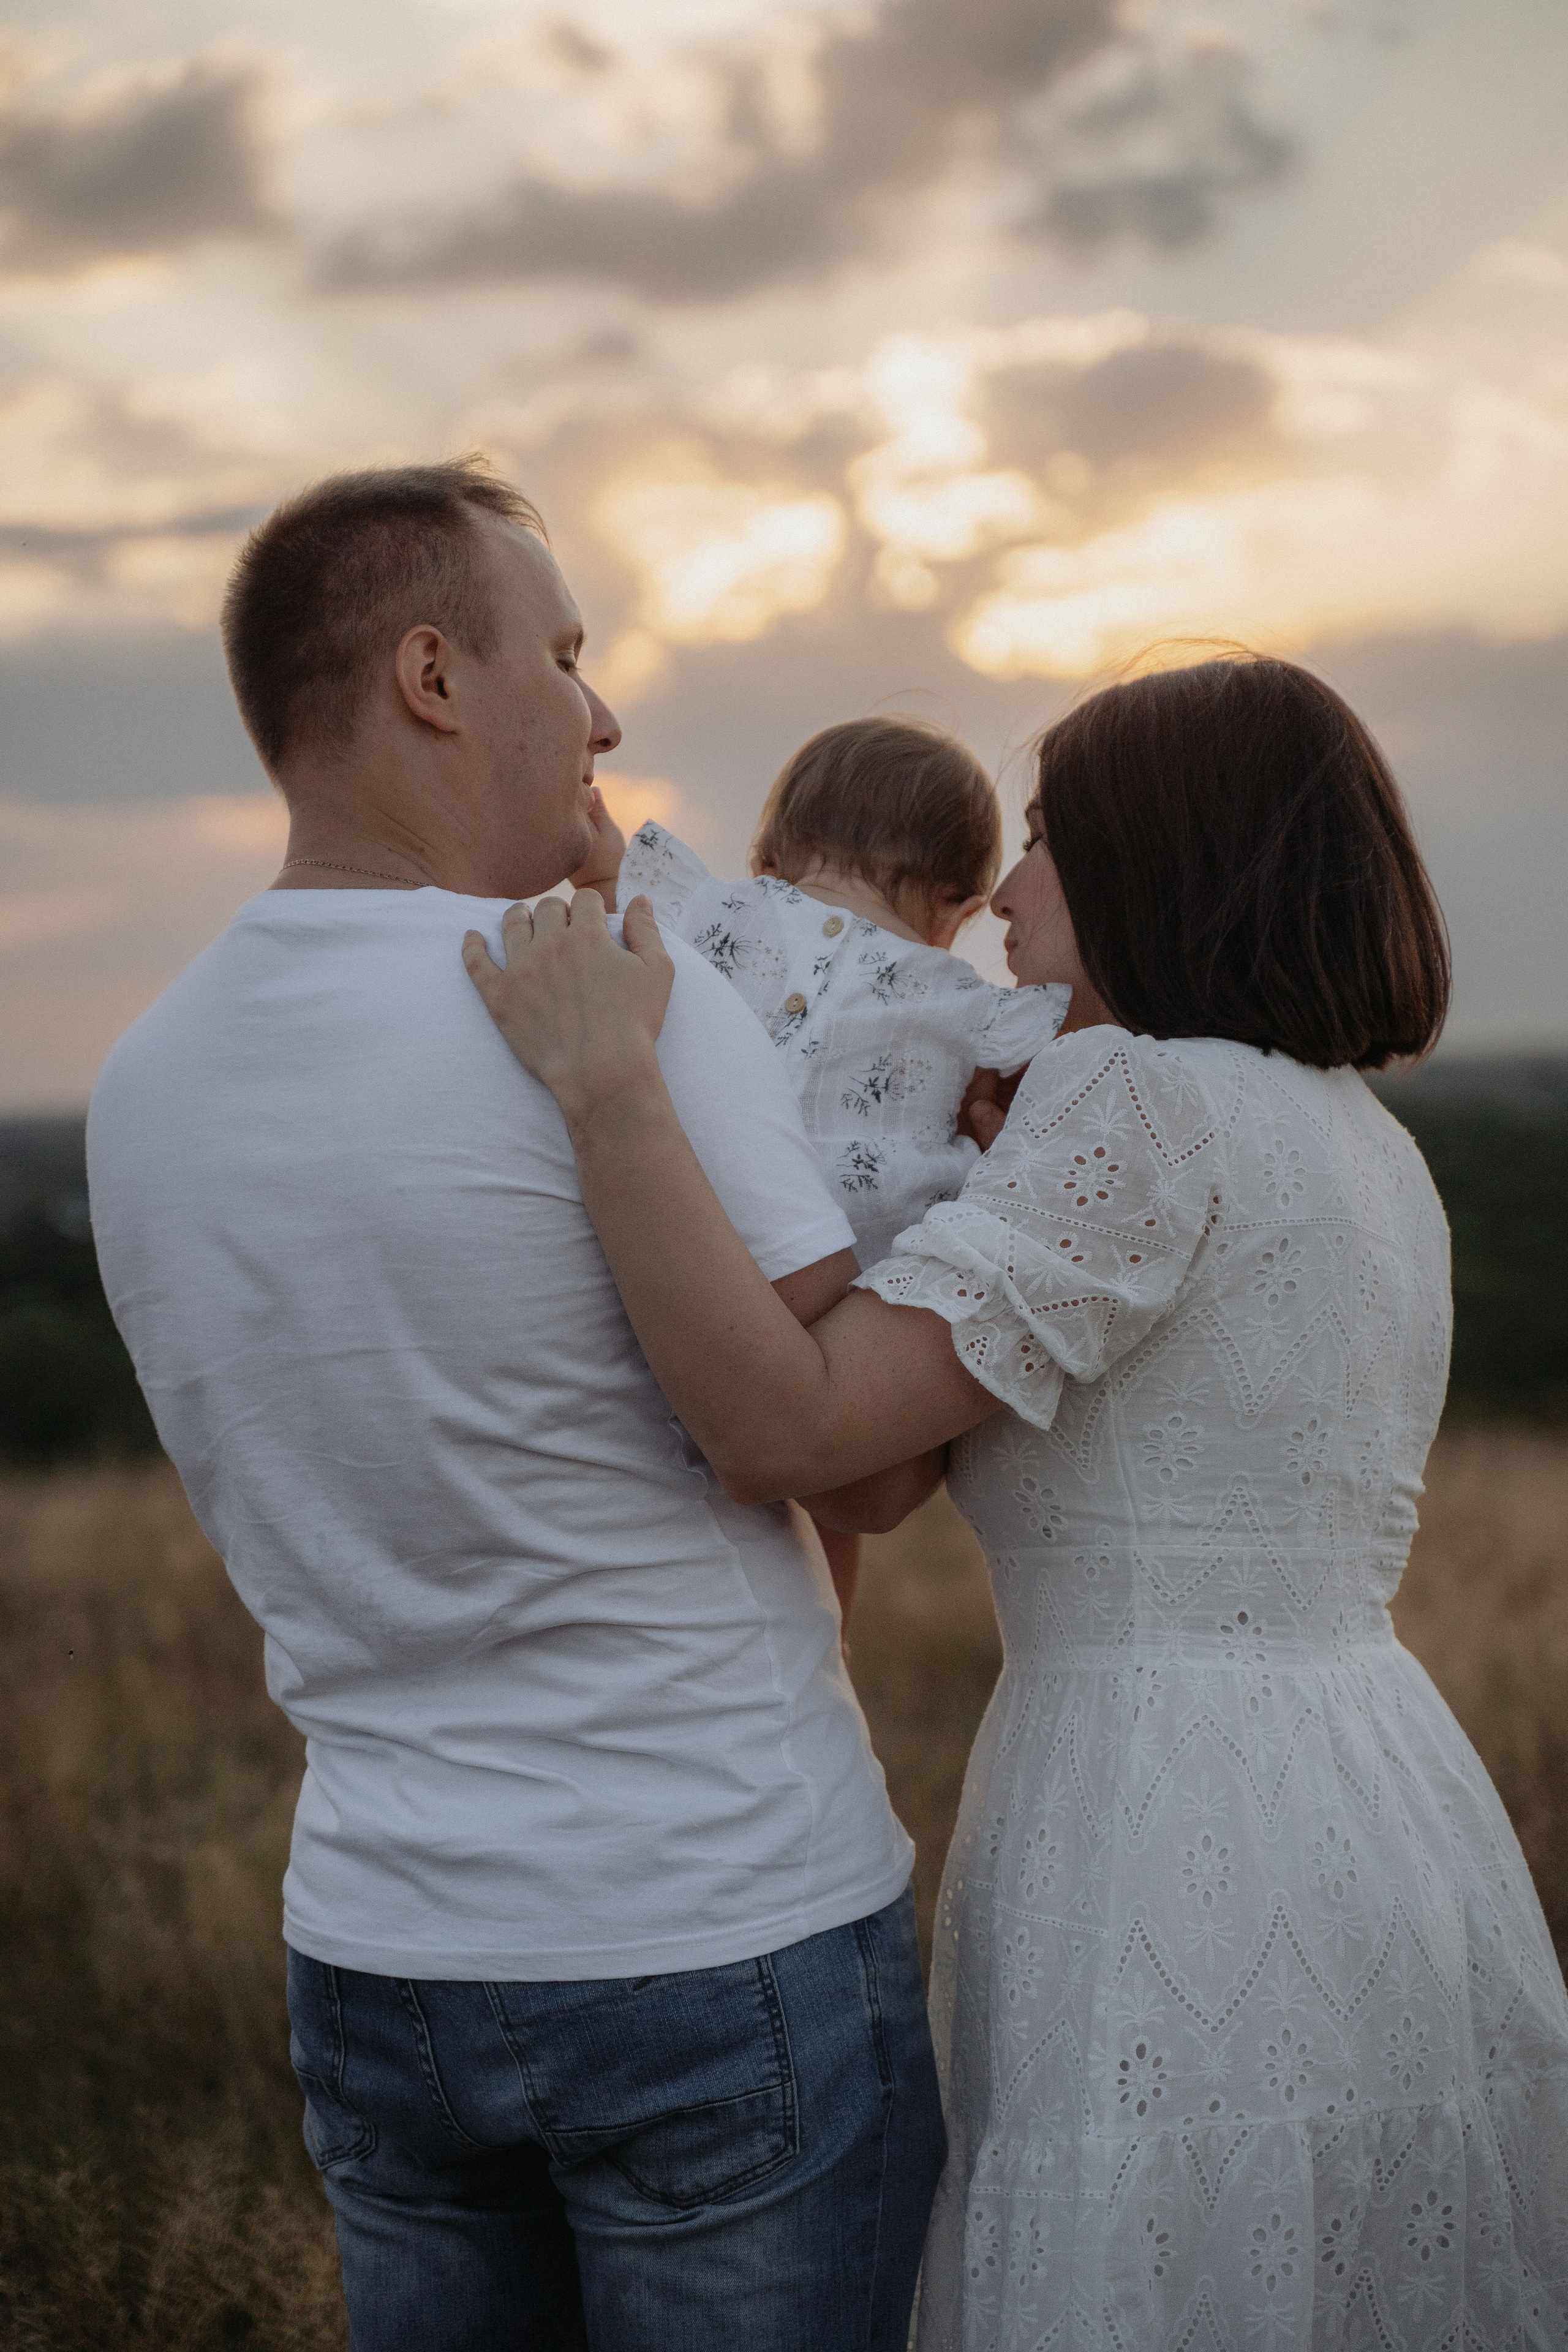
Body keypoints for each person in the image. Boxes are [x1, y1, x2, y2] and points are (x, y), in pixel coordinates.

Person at [463, 651, 1568, 2349]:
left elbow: (793, 1431)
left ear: (1161, 858)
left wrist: (618, 1095)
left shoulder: (1135, 1102)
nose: (1004, 899)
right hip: (1391, 1813)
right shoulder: (1370, 1148)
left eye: (1046, 839)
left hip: (1157, 1819)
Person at [85, 457, 946, 2352]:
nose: (607, 712)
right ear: (432, 676)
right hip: (713, 1928)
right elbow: (869, 1462)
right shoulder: (621, 1008)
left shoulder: (140, 1087)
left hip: (379, 1957)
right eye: (564, 651)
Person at [579, 716, 1068, 1639]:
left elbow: (618, 882)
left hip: (701, 1222)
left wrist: (594, 830)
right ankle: (822, 1638)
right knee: (827, 1458)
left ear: (769, 855)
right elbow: (1053, 1036)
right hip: (847, 1267)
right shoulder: (962, 998)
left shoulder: (716, 910)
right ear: (958, 910)